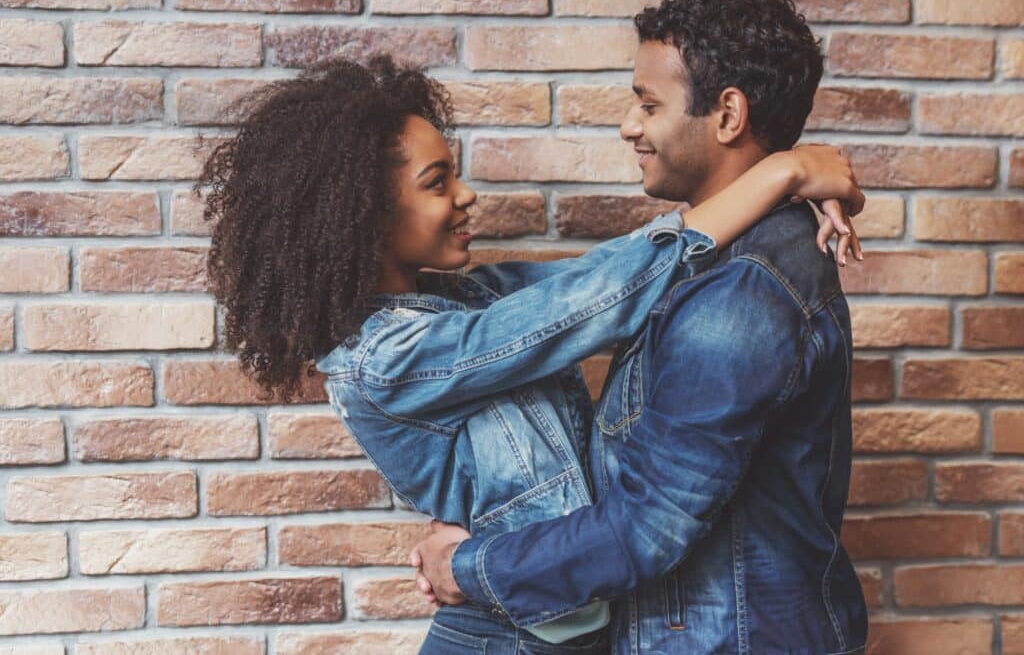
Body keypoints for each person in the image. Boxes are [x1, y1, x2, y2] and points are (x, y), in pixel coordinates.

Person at [196, 52, 863, 653]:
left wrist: (782, 187)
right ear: (366, 213)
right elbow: (593, 301)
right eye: (437, 183)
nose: (466, 195)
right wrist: (786, 170)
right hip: (499, 637)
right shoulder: (388, 358)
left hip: (550, 625)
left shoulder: (470, 301)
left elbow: (601, 282)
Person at [414, 0, 871, 654]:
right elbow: (566, 294)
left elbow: (646, 528)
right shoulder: (709, 259)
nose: (630, 124)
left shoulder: (740, 294)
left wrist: (468, 568)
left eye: (648, 103)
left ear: (727, 115)